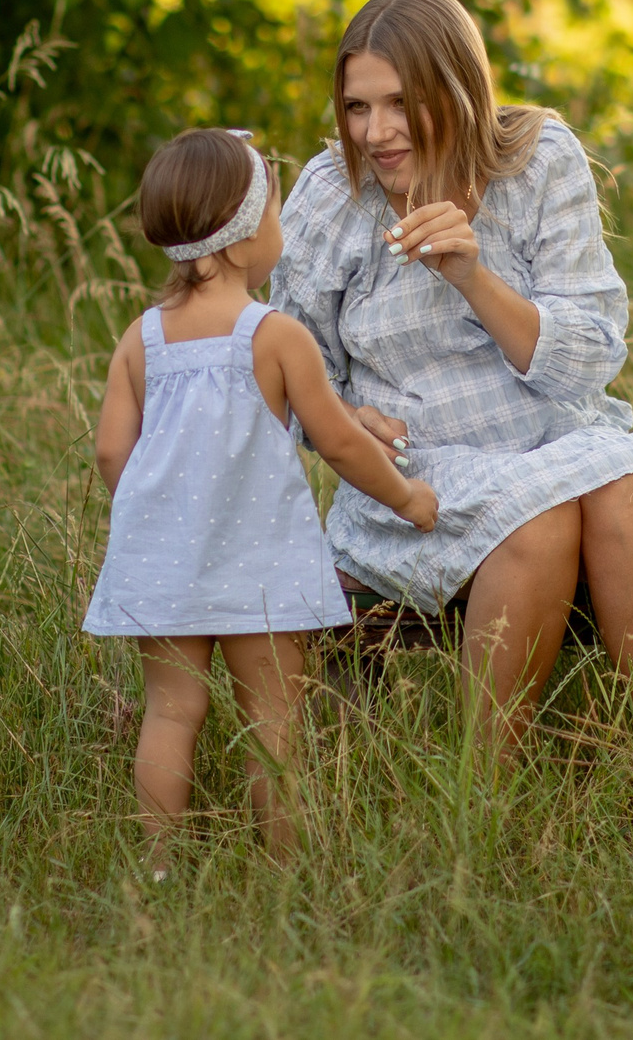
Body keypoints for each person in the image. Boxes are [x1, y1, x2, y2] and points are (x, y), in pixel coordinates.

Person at [273, 0, 633, 777]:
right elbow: (292, 377)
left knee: (626, 483)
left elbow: (588, 357)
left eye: (402, 103)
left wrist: (473, 274)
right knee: (539, 518)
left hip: (560, 438)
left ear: (456, 85)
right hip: (422, 474)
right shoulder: (332, 196)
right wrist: (344, 416)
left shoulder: (540, 161)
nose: (377, 133)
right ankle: (484, 795)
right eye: (357, 107)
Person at [85, 126, 439, 865]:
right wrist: (408, 499)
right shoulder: (274, 338)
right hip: (263, 567)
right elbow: (341, 442)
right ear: (247, 239)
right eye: (276, 214)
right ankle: (284, 867)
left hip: (166, 564)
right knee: (274, 718)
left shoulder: (141, 339)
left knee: (171, 710)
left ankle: (155, 865)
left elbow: (112, 450)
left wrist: (153, 513)